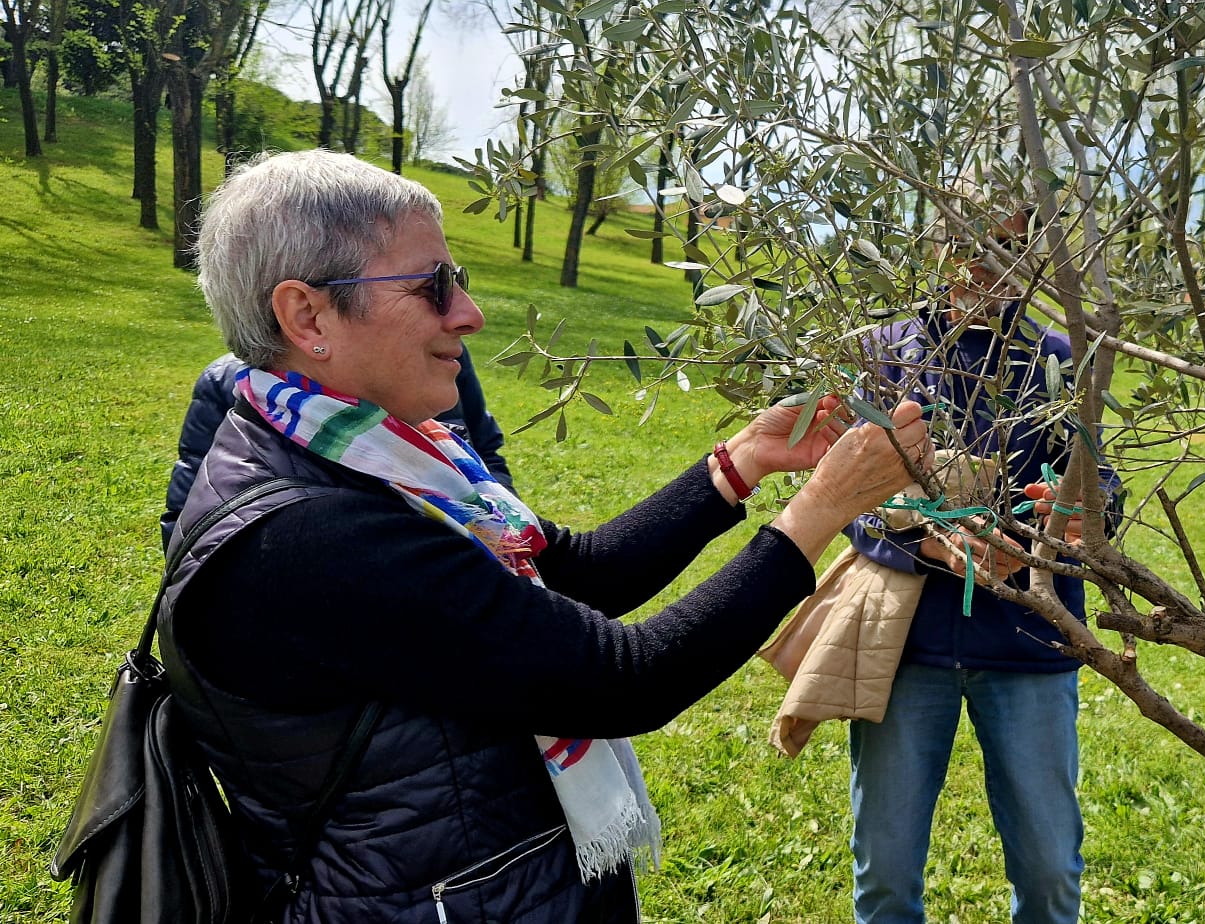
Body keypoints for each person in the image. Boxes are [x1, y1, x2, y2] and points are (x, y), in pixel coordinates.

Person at [159, 149, 929, 923]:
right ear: (308, 316)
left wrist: (744, 461)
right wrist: (820, 510)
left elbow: (576, 573)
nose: (468, 312)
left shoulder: (379, 462)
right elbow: (625, 679)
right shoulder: (313, 534)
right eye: (432, 286)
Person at [841, 204, 1121, 924]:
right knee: (885, 874)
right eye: (965, 240)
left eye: (1006, 242)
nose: (983, 260)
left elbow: (1098, 484)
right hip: (906, 648)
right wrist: (918, 540)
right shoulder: (886, 350)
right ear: (934, 242)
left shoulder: (1058, 356)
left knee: (1050, 872)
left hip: (1027, 642)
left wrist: (1069, 518)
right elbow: (844, 498)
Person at [160, 345, 512, 547]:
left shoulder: (443, 358)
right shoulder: (226, 384)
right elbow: (191, 519)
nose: (465, 316)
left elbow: (485, 445)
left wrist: (501, 526)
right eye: (427, 287)